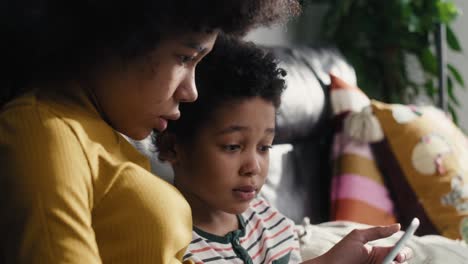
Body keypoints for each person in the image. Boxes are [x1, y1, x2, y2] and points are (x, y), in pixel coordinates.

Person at [0, 1, 301, 263]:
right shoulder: (44, 132)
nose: (191, 91)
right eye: (185, 58)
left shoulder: (102, 131)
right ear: (121, 35)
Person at [155, 35, 414, 264]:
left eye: (265, 147)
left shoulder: (271, 223)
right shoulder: (171, 243)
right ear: (172, 147)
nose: (253, 166)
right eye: (233, 146)